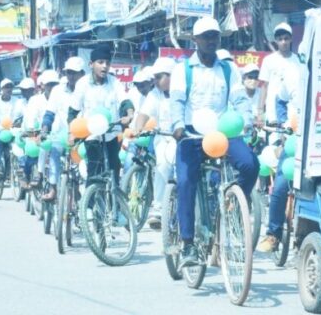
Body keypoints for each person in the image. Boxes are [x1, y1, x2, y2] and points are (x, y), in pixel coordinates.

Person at [170, 16, 258, 267]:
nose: (211, 40)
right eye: (206, 36)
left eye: (215, 36)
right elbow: (176, 102)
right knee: (186, 181)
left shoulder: (228, 69)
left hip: (221, 133)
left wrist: (247, 121)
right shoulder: (183, 70)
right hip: (191, 134)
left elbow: (241, 100)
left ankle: (234, 202)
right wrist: (177, 126)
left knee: (250, 164)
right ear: (195, 40)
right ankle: (187, 244)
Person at [256, 61, 304, 252]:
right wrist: (284, 123)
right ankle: (273, 234)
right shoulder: (293, 72)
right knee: (281, 186)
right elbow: (280, 99)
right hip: (294, 141)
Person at [69, 45, 128, 187]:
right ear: (91, 64)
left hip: (111, 134)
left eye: (107, 63)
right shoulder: (82, 84)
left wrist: (129, 114)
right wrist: (71, 132)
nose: (105, 66)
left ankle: (115, 204)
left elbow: (125, 101)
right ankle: (89, 207)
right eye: (100, 62)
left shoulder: (115, 82)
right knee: (94, 171)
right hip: (91, 135)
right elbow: (73, 111)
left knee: (114, 169)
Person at [134, 57, 176, 228]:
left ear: (171, 76)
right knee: (162, 166)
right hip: (162, 137)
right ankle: (159, 205)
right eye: (155, 78)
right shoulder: (155, 94)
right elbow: (143, 114)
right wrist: (137, 128)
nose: (155, 82)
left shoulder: (184, 91)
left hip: (184, 138)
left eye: (159, 77)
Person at [41, 57, 85, 201]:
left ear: (82, 74)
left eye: (74, 73)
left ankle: (84, 193)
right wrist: (44, 128)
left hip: (82, 135)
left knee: (84, 165)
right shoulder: (57, 91)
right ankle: (53, 188)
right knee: (54, 151)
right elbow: (49, 113)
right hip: (61, 135)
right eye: (69, 73)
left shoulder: (86, 89)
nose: (71, 76)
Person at [258, 23, 302, 127]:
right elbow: (264, 86)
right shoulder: (268, 60)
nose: (283, 42)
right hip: (273, 112)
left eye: (286, 39)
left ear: (291, 39)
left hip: (293, 111)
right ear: (276, 41)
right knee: (275, 141)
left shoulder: (298, 61)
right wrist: (260, 112)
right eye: (280, 39)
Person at [22, 70, 59, 190]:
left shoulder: (62, 98)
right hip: (37, 133)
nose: (52, 88)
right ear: (43, 85)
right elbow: (31, 119)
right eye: (49, 84)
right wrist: (34, 134)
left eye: (55, 84)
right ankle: (34, 174)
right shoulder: (35, 100)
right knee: (34, 153)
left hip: (58, 135)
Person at [0, 79, 24, 182]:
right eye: (6, 87)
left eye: (10, 87)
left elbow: (22, 115)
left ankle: (20, 166)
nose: (9, 89)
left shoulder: (17, 101)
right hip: (1, 129)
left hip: (14, 129)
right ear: (2, 89)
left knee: (20, 143)